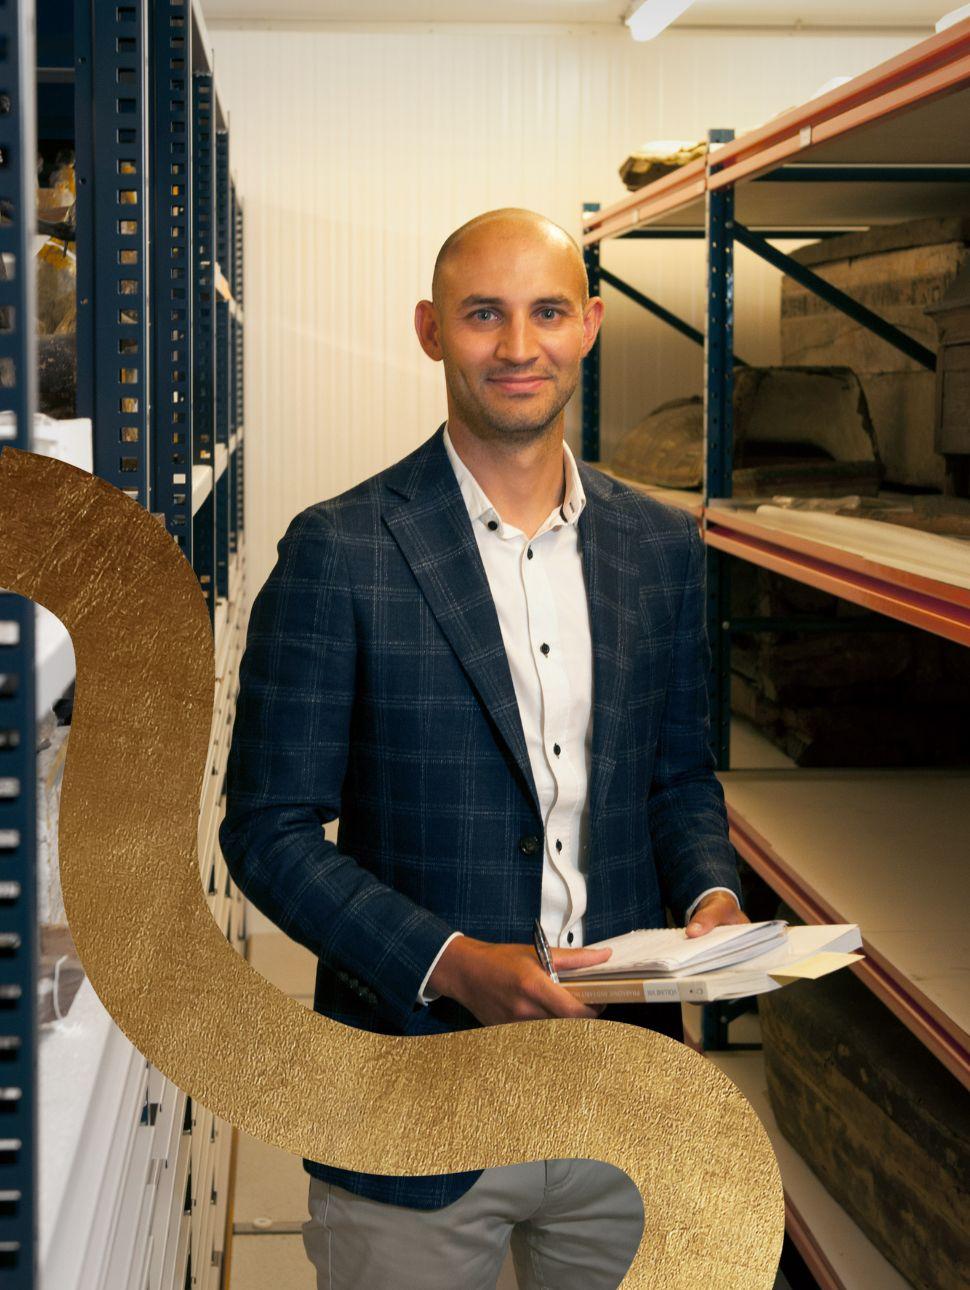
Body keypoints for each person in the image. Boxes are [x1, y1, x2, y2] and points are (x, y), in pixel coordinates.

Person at [218, 207, 749, 1290]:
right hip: (415, 1101)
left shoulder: (658, 550)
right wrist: (448, 962)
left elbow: (677, 775)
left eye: (547, 312)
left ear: (589, 324)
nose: (518, 347)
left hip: (624, 1095)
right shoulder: (339, 550)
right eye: (483, 315)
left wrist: (709, 897)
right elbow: (267, 833)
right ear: (429, 330)